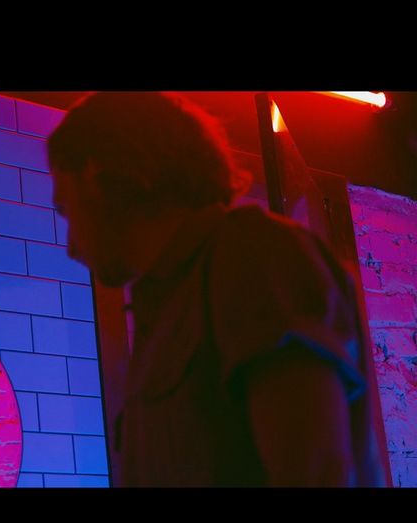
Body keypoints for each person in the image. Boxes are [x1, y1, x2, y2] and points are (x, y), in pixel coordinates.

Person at [47, 91, 387, 487]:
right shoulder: (164, 309)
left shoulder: (250, 253)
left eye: (67, 209)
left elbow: (316, 474)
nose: (71, 246)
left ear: (97, 176)